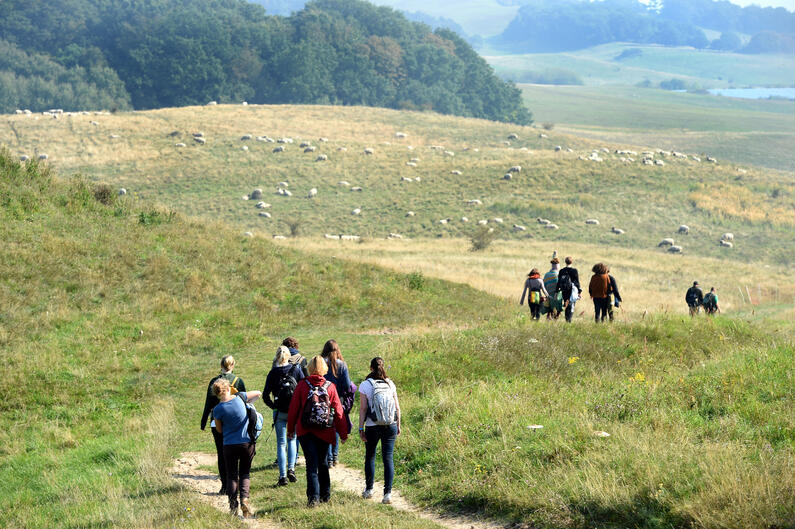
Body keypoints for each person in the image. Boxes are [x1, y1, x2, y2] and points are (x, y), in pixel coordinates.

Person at [287, 356, 348, 507]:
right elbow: (339, 412)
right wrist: (343, 433)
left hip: (306, 431)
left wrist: (290, 429)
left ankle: (313, 499)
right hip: (325, 431)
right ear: (324, 369)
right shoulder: (330, 386)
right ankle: (325, 495)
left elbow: (293, 409)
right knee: (323, 463)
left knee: (311, 465)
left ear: (310, 368)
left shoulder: (302, 385)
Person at [212, 378, 262, 517]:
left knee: (232, 476)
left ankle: (233, 506)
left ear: (216, 393)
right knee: (245, 473)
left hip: (229, 445)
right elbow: (258, 393)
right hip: (246, 443)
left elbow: (219, 430)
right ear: (228, 388)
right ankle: (245, 500)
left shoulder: (217, 410)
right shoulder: (240, 397)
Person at [201, 355, 246, 495]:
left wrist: (203, 421)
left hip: (216, 421)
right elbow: (244, 402)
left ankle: (224, 485)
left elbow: (208, 403)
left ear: (221, 365)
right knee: (235, 452)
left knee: (221, 453)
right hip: (234, 423)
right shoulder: (238, 381)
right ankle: (235, 484)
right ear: (233, 365)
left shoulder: (214, 382)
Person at [359, 357, 401, 505]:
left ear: (371, 368)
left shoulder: (365, 384)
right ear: (383, 368)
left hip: (372, 425)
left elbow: (363, 408)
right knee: (388, 458)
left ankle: (369, 490)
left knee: (370, 456)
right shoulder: (390, 384)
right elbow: (397, 407)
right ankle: (387, 494)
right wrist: (399, 424)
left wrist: (360, 428)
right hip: (390, 424)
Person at [263, 346, 305, 486]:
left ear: (277, 356)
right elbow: (304, 388)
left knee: (281, 444)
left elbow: (265, 395)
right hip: (294, 411)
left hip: (279, 411)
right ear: (289, 356)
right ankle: (291, 469)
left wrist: (273, 406)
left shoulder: (273, 373)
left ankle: (282, 477)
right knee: (292, 440)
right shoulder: (296, 370)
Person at [320, 339, 352, 468]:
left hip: (323, 399)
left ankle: (328, 458)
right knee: (336, 428)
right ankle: (335, 457)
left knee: (327, 427)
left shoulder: (321, 363)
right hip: (338, 399)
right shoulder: (342, 365)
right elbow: (347, 385)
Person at [555, 256, 582, 323]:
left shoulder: (562, 271)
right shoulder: (574, 271)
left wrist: (556, 292)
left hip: (564, 290)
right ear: (571, 262)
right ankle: (569, 320)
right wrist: (579, 292)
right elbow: (577, 282)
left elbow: (558, 282)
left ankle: (567, 319)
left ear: (565, 262)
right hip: (572, 290)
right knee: (571, 304)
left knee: (566, 304)